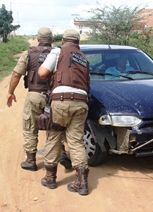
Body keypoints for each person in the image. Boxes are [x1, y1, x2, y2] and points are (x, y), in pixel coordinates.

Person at [6, 27, 71, 172]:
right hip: (54, 96)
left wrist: (10, 92)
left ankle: (30, 160)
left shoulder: (29, 53)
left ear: (37, 39)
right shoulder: (59, 53)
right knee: (55, 126)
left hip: (34, 95)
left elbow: (16, 74)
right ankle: (60, 153)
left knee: (30, 126)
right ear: (51, 39)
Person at [38, 29, 91, 195]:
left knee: (54, 137)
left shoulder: (58, 51)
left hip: (61, 101)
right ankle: (81, 183)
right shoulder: (84, 58)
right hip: (81, 103)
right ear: (78, 43)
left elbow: (42, 73)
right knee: (76, 141)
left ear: (63, 41)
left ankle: (50, 178)